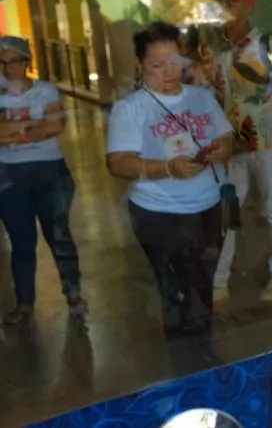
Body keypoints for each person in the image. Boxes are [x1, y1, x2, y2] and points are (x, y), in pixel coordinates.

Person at [106, 22, 234, 336]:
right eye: (157, 65)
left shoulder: (200, 97)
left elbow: (227, 136)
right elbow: (118, 162)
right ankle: (187, 355)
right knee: (176, 292)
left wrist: (219, 151)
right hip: (160, 213)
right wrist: (167, 169)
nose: (168, 72)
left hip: (208, 207)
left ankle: (201, 346)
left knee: (202, 283)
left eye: (175, 62)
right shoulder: (130, 108)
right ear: (140, 67)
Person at [208, 0, 272, 303]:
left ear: (247, 8)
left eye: (229, 4)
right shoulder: (220, 51)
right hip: (235, 140)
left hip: (266, 138)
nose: (223, 11)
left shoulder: (268, 45)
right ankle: (219, 278)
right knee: (229, 206)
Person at [0, 35, 86, 325]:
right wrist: (33, 125)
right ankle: (25, 303)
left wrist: (12, 132)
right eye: (1, 63)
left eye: (14, 61)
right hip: (8, 176)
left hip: (50, 171)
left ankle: (73, 294)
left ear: (26, 62)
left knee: (59, 235)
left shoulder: (46, 90)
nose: (8, 68)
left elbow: (56, 125)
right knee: (21, 241)